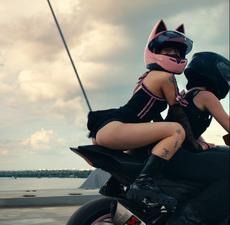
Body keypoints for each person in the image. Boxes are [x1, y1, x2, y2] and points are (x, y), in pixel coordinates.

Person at [87, 19, 195, 206]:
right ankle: (143, 183)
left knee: (151, 140)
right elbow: (178, 115)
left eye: (177, 51)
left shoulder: (146, 78)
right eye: (168, 51)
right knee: (177, 130)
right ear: (154, 53)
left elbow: (153, 117)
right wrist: (195, 145)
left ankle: (114, 183)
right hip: (115, 129)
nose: (175, 55)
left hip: (109, 127)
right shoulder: (166, 77)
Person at [165, 52, 230, 225]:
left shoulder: (189, 96)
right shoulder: (207, 96)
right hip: (178, 157)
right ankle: (189, 217)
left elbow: (190, 131)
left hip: (170, 155)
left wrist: (210, 145)